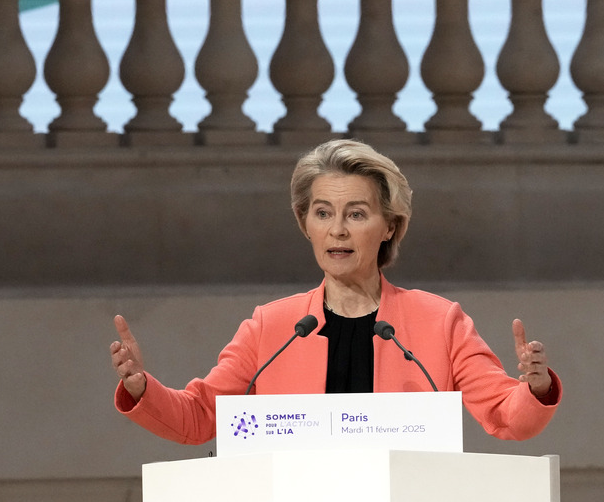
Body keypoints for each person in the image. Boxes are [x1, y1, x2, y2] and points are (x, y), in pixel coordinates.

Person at [110, 139, 561, 445]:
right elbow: (199, 416)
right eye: (323, 213)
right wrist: (140, 387)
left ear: (389, 226)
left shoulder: (438, 322)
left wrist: (535, 388)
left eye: (357, 214)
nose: (338, 230)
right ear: (305, 223)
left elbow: (506, 414)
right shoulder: (273, 328)